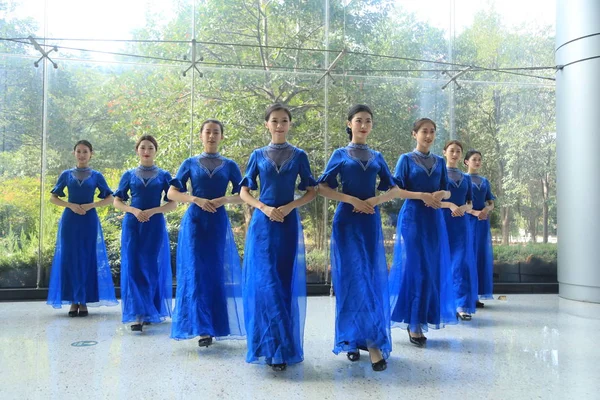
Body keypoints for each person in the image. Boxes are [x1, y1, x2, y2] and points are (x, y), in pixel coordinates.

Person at [317, 104, 422, 371]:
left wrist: (375, 199)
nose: (363, 125)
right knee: (352, 280)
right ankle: (357, 341)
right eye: (359, 120)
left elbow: (394, 188)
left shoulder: (377, 156)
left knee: (370, 279)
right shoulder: (340, 154)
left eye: (368, 121)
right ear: (349, 124)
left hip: (369, 222)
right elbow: (322, 188)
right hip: (347, 222)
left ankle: (369, 339)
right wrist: (352, 199)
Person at [240, 103, 317, 371]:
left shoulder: (299, 155)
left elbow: (311, 191)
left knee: (282, 283)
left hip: (287, 223)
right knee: (266, 284)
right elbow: (244, 192)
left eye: (284, 120)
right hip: (263, 224)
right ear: (267, 124)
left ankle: (282, 348)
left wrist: (290, 206)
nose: (279, 125)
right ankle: (269, 346)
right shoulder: (257, 155)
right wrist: (263, 207)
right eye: (275, 121)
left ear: (289, 124)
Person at [169, 119, 245, 346]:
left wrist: (224, 199)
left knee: (215, 272)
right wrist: (195, 199)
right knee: (195, 272)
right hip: (195, 223)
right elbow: (172, 193)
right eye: (207, 132)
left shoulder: (230, 165)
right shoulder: (189, 163)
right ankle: (201, 327)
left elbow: (244, 195)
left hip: (217, 222)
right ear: (201, 136)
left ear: (222, 137)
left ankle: (215, 325)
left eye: (216, 132)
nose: (211, 136)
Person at [388, 118, 456, 346]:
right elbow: (397, 190)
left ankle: (421, 317)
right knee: (416, 268)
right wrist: (423, 196)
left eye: (432, 132)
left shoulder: (439, 161)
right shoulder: (405, 160)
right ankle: (414, 323)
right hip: (413, 219)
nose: (428, 136)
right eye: (424, 131)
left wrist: (440, 196)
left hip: (434, 220)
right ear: (414, 134)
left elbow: (447, 191)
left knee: (430, 270)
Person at [47, 140, 117, 316]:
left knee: (87, 257)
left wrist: (91, 205)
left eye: (85, 151)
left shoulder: (96, 176)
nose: (81, 155)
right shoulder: (66, 174)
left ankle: (83, 299)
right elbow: (53, 198)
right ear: (74, 154)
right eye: (78, 151)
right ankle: (72, 300)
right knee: (70, 258)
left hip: (88, 220)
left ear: (91, 154)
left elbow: (110, 198)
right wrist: (70, 205)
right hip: (70, 220)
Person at [113, 135, 176, 332]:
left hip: (154, 224)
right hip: (133, 224)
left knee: (150, 266)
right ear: (137, 150)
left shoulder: (164, 175)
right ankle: (138, 314)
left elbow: (173, 203)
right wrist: (133, 210)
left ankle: (150, 309)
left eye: (150, 147)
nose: (146, 151)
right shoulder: (129, 175)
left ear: (156, 151)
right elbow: (117, 201)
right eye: (142, 147)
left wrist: (153, 211)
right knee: (133, 266)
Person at [441, 140, 477, 320]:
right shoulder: (438, 174)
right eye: (451, 151)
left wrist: (463, 208)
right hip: (441, 221)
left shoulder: (466, 178)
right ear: (444, 152)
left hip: (461, 224)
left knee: (460, 264)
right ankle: (442, 304)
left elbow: (470, 203)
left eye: (458, 151)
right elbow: (433, 200)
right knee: (440, 262)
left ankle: (461, 305)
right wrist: (449, 205)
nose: (455, 154)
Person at [464, 150, 496, 308]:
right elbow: (460, 202)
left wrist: (486, 210)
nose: (477, 162)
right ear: (466, 162)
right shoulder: (463, 179)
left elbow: (491, 202)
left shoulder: (485, 181)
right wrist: (475, 212)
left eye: (479, 160)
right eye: (474, 159)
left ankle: (475, 296)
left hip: (482, 222)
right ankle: (465, 296)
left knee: (480, 256)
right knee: (467, 256)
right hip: (468, 220)